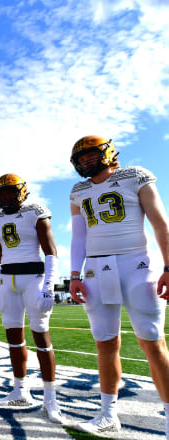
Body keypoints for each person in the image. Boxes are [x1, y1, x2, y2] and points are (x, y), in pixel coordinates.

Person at [68, 136, 169, 437]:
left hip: (137, 263)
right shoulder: (78, 190)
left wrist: (168, 265)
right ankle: (108, 415)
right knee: (105, 343)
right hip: (97, 270)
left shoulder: (134, 175)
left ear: (109, 152)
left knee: (152, 342)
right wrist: (74, 274)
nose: (86, 161)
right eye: (81, 158)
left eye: (91, 155)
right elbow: (78, 237)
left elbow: (160, 222)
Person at [0, 174, 65, 424]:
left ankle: (50, 400)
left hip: (34, 278)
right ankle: (20, 391)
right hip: (7, 281)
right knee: (13, 338)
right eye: (3, 194)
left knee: (41, 336)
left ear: (22, 192)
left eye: (11, 192)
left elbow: (50, 251)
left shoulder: (36, 211)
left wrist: (49, 286)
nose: (7, 197)